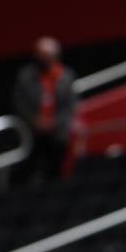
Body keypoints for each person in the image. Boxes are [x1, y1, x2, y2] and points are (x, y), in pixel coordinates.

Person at [11, 37, 79, 183]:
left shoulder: (66, 77)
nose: (42, 58)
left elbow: (71, 106)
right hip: (32, 131)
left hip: (58, 132)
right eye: (39, 54)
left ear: (55, 55)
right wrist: (34, 120)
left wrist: (53, 122)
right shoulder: (25, 76)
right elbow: (20, 103)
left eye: (46, 54)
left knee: (57, 169)